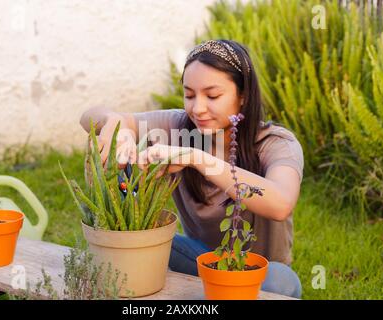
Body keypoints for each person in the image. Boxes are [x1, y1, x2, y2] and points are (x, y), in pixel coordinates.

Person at [80, 39, 304, 299]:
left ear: (243, 96)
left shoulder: (276, 143)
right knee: (132, 244)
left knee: (282, 283)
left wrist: (197, 158)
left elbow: (281, 203)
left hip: (259, 270)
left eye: (212, 96)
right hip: (200, 259)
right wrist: (116, 125)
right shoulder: (177, 125)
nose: (197, 108)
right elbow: (88, 117)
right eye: (189, 95)